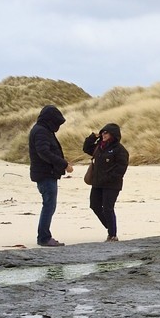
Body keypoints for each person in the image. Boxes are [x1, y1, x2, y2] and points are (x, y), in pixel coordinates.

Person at [28, 104, 72, 246]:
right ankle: (44, 238)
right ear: (50, 120)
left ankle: (44, 236)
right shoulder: (41, 131)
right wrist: (64, 164)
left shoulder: (43, 130)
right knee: (49, 205)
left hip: (46, 173)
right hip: (45, 174)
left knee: (49, 205)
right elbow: (44, 153)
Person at [82, 122, 129, 241]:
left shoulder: (120, 150)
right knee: (94, 205)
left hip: (112, 185)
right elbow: (86, 148)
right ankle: (110, 226)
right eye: (102, 132)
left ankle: (112, 234)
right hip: (97, 183)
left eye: (106, 132)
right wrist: (93, 137)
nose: (103, 134)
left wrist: (109, 177)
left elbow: (121, 168)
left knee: (108, 207)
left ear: (113, 134)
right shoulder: (99, 146)